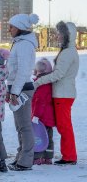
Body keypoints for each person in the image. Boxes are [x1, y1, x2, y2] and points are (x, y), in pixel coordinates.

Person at [34, 21, 79, 165]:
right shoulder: (68, 51)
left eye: (60, 33)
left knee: (64, 126)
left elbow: (58, 74)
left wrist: (38, 81)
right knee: (64, 126)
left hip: (63, 94)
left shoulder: (67, 53)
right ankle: (69, 155)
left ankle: (69, 157)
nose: (57, 36)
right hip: (63, 93)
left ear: (67, 36)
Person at [6, 13, 39, 171]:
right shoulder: (18, 43)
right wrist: (9, 89)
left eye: (11, 27)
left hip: (23, 89)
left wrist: (15, 92)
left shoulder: (25, 45)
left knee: (25, 126)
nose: (9, 30)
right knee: (20, 126)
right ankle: (21, 156)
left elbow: (24, 71)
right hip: (17, 88)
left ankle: (26, 161)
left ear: (19, 27)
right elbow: (13, 70)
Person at [32, 58, 55, 165]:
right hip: (48, 116)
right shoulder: (49, 82)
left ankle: (38, 157)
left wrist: (36, 115)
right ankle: (48, 157)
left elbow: (40, 101)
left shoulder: (41, 84)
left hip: (41, 118)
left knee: (40, 137)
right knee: (49, 137)